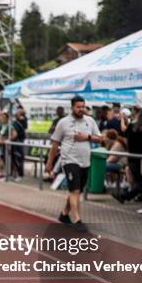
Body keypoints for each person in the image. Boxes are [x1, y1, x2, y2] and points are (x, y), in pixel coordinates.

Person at [46, 95, 102, 227]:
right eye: (78, 107)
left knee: (75, 190)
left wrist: (87, 136)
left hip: (85, 161)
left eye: (83, 106)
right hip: (69, 160)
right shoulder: (63, 122)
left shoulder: (90, 121)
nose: (81, 109)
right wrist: (49, 162)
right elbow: (55, 144)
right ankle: (77, 219)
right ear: (72, 107)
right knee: (75, 191)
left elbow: (100, 139)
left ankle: (64, 214)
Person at [10, 107, 27, 179]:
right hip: (16, 142)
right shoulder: (17, 121)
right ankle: (14, 174)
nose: (15, 113)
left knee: (18, 158)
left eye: (17, 112)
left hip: (18, 142)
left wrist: (9, 139)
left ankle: (19, 174)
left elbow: (15, 134)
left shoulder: (22, 121)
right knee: (14, 158)